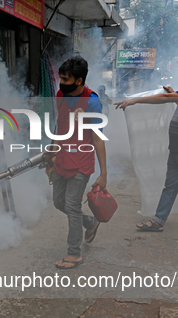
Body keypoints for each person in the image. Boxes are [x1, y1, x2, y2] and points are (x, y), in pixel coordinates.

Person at [115, 53, 178, 236]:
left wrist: (135, 100)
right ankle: (159, 221)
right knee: (170, 186)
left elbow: (166, 99)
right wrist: (173, 93)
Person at [49, 56, 107, 270]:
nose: (61, 83)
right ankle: (90, 222)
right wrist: (54, 148)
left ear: (79, 80)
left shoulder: (91, 101)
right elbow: (60, 124)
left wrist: (104, 173)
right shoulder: (60, 95)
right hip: (62, 159)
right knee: (59, 203)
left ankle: (74, 253)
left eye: (66, 79)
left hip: (81, 162)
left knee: (72, 206)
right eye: (60, 78)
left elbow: (98, 137)